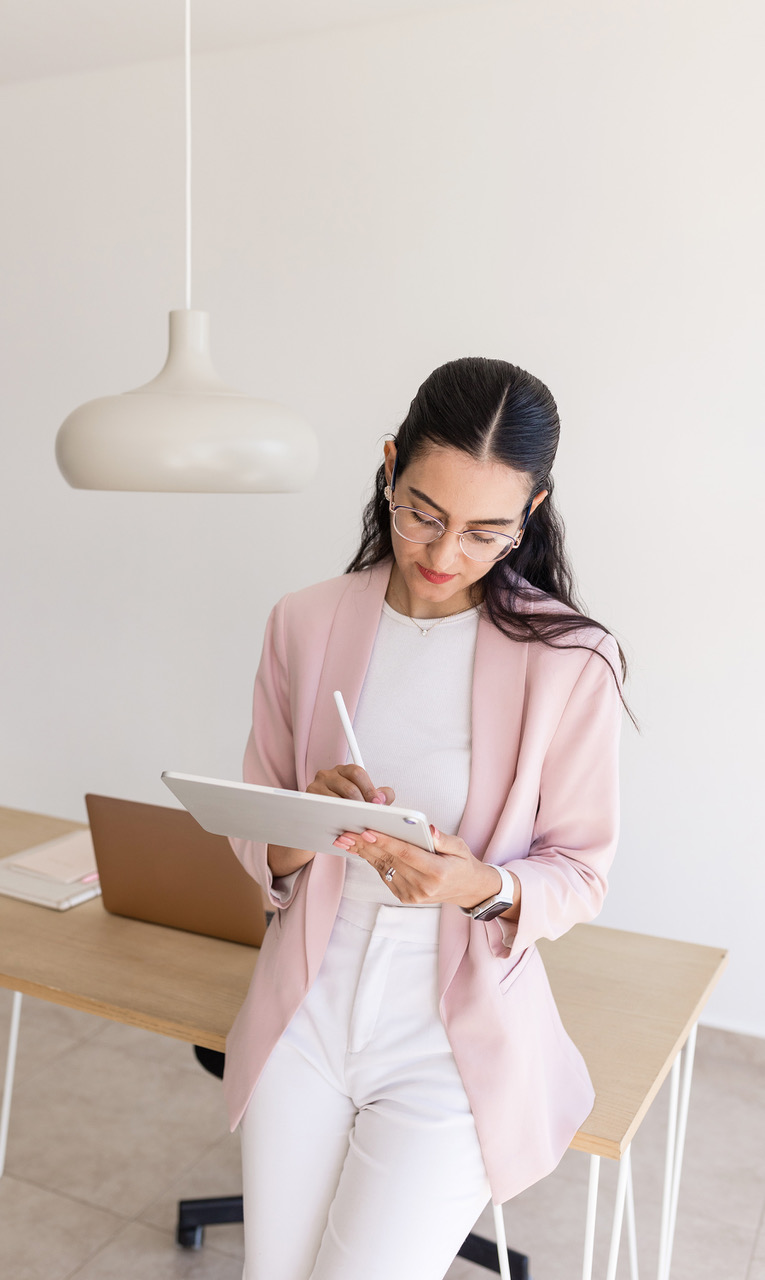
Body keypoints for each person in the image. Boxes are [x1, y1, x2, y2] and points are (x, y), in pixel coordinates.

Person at [225, 357, 624, 1280]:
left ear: (531, 511)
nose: (444, 556)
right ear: (389, 467)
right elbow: (261, 836)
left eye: (485, 531)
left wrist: (478, 884)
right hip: (306, 1014)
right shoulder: (304, 621)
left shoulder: (569, 660)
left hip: (448, 1040)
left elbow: (582, 871)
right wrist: (300, 826)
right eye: (422, 514)